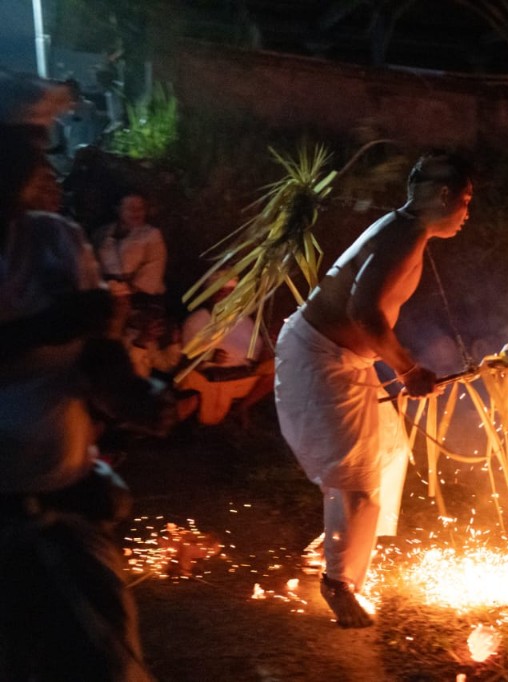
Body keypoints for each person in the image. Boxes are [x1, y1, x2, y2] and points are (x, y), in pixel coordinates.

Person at [1, 70, 168, 681]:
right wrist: (47, 327)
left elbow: (97, 354)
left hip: (61, 509)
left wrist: (137, 397)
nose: (37, 164)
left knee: (107, 667)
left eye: (39, 146)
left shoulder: (57, 239)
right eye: (22, 147)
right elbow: (63, 327)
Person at [274, 151, 474, 627]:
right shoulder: (402, 236)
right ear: (443, 195)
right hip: (320, 358)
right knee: (357, 478)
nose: (468, 213)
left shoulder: (406, 229)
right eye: (466, 201)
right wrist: (408, 370)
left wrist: (402, 368)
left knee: (387, 451)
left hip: (343, 359)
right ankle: (339, 584)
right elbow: (363, 313)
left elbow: (367, 315)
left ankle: (332, 545)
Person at [177, 275, 274, 427]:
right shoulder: (197, 320)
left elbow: (256, 355)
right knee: (189, 380)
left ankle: (241, 408)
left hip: (240, 377)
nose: (226, 296)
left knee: (275, 367)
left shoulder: (244, 320)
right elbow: (187, 358)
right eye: (221, 291)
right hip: (210, 378)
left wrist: (270, 347)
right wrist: (209, 357)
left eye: (230, 292)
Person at [92, 192, 168, 337]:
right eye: (131, 208)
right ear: (118, 209)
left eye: (140, 208)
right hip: (108, 293)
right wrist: (108, 286)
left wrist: (130, 289)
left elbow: (155, 264)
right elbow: (93, 262)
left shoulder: (151, 234)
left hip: (141, 296)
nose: (136, 212)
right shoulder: (101, 233)